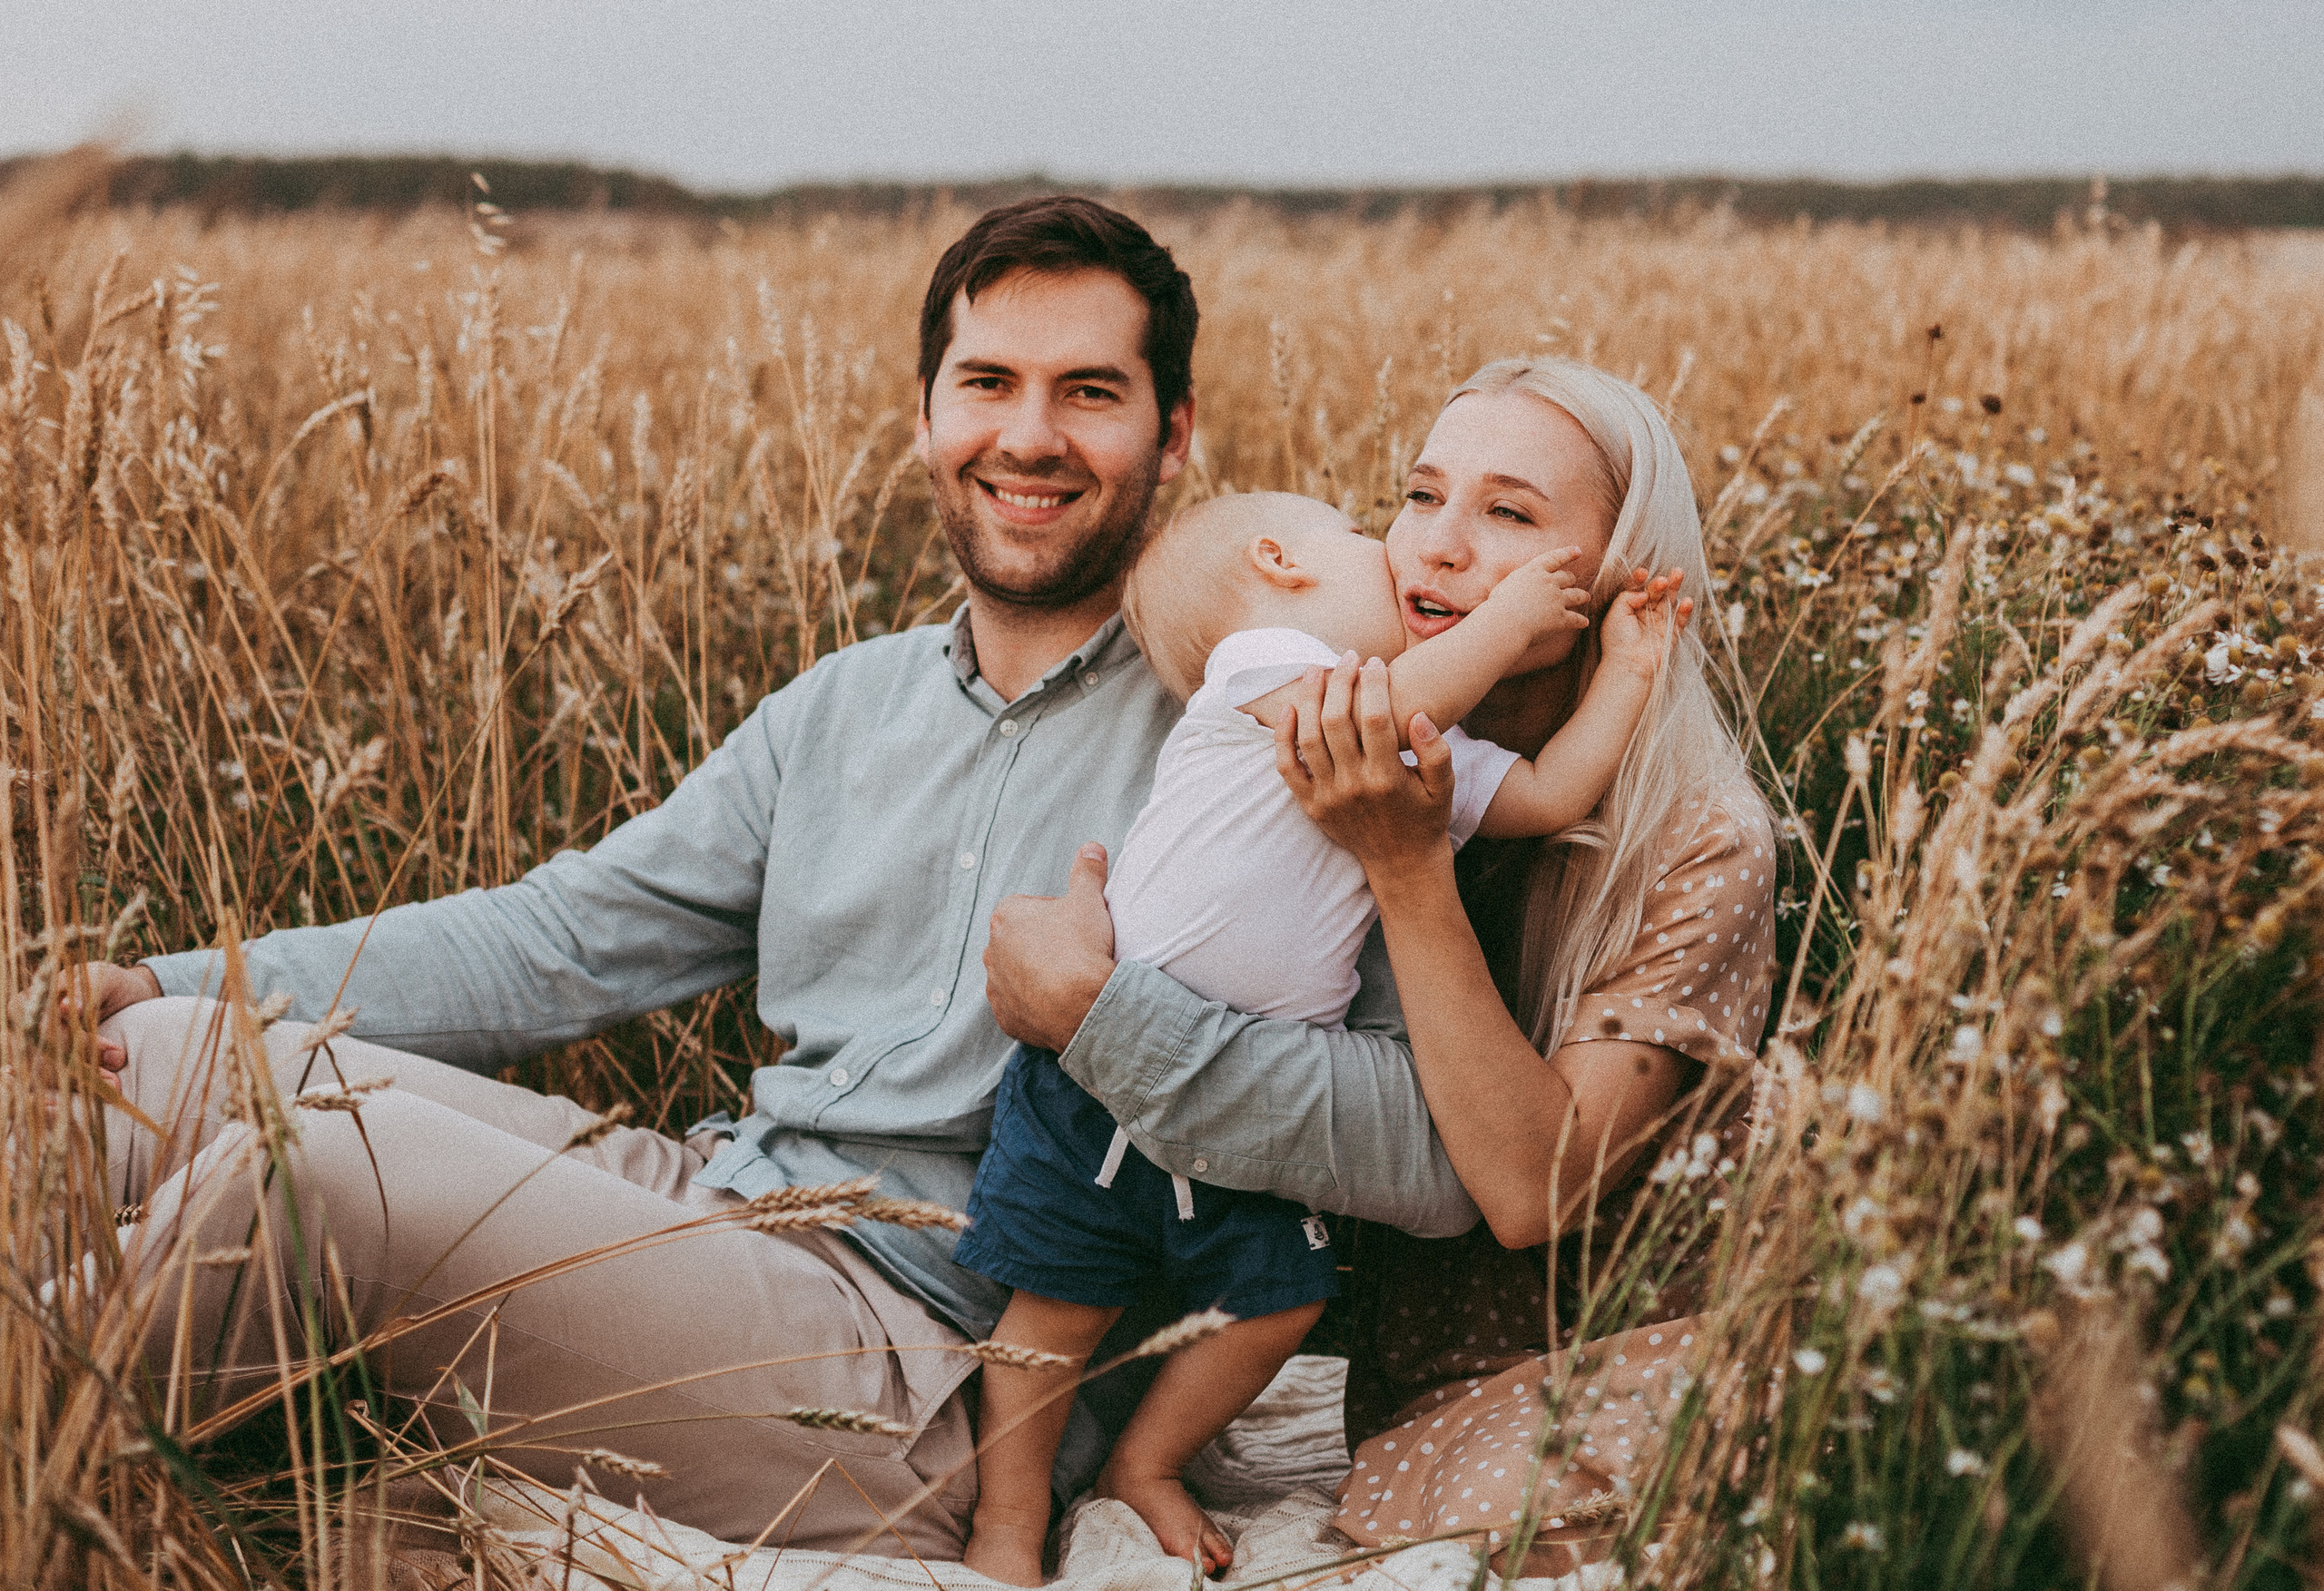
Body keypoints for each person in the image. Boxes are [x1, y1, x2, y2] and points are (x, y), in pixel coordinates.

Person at [63, 196, 1484, 1560]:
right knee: (149, 1060)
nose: (1029, 436)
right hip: (725, 1200)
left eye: (1091, 393)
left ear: (1176, 436)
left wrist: (1110, 1018)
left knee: (316, 1179)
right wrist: (173, 974)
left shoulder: (1276, 732)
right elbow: (563, 937)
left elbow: (1423, 1150)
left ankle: (31, 1446)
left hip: (931, 1361)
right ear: (928, 412)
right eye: (987, 381)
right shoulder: (845, 706)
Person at [984, 358, 1776, 1576]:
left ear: (1620, 572)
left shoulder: (1694, 835)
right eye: (1419, 495)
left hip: (1579, 1362)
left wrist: (1407, 862)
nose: (1439, 546)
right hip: (1399, 1375)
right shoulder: (1315, 693)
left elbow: (1527, 1190)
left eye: (1510, 514)